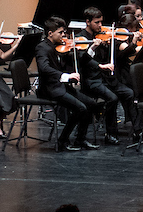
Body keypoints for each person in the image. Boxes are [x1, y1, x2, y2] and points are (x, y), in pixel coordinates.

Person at [35, 17, 101, 152]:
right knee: (80, 109)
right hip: (50, 89)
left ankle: (80, 139)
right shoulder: (42, 48)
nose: (63, 35)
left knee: (91, 104)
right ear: (50, 33)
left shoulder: (59, 47)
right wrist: (66, 76)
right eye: (60, 32)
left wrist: (92, 47)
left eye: (64, 32)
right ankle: (62, 141)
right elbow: (44, 68)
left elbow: (81, 60)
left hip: (61, 86)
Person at [77, 7, 133, 146]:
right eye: (97, 22)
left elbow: (115, 57)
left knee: (129, 93)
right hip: (91, 80)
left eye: (101, 22)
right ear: (88, 22)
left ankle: (137, 130)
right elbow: (82, 60)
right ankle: (110, 133)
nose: (100, 26)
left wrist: (111, 46)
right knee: (112, 98)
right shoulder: (81, 38)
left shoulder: (103, 36)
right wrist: (94, 50)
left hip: (106, 79)